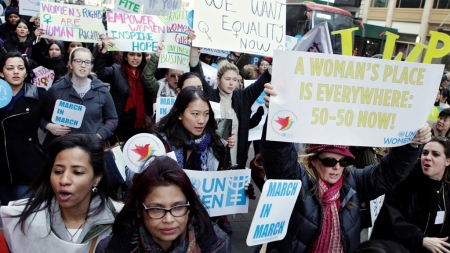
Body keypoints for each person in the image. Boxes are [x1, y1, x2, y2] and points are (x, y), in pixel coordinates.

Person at [260, 83, 431, 253]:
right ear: (313, 160)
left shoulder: (353, 181)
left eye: (343, 162)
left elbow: (388, 173)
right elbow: (278, 157)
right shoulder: (298, 181)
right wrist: (277, 113)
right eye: (329, 161)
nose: (337, 167)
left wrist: (411, 145)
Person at [0, 134, 123, 252]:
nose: (64, 180)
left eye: (77, 172)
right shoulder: (21, 219)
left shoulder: (122, 219)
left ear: (96, 178)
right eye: (58, 171)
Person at [95, 155, 231, 253]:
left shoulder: (217, 244)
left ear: (189, 207)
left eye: (178, 207)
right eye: (156, 209)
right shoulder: (111, 248)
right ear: (139, 210)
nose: (168, 219)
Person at [370, 137, 450, 253]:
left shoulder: (446, 189)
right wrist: (421, 239)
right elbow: (392, 219)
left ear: (447, 161)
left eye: (435, 154)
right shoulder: (405, 184)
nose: (428, 158)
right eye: (425, 152)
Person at [41, 47, 118, 147]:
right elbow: (41, 116)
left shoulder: (102, 90)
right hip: (63, 148)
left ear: (91, 66)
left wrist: (99, 135)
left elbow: (112, 120)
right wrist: (49, 126)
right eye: (78, 61)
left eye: (87, 62)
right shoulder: (56, 89)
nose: (83, 65)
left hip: (91, 148)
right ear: (70, 64)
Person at [0, 52, 46, 205]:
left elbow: (48, 117)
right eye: (10, 68)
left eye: (20, 68)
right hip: (2, 165)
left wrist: (48, 125)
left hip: (27, 164)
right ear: (1, 72)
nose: (16, 72)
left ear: (26, 72)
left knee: (22, 214)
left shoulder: (39, 95)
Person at [155, 86, 231, 172]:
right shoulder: (160, 142)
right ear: (180, 114)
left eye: (206, 114)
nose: (202, 121)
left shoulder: (216, 145)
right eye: (195, 114)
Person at [94, 35, 150, 143]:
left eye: (139, 55)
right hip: (121, 123)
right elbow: (100, 72)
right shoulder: (116, 70)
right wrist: (104, 50)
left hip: (140, 124)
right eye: (132, 54)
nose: (135, 58)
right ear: (125, 57)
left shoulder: (145, 74)